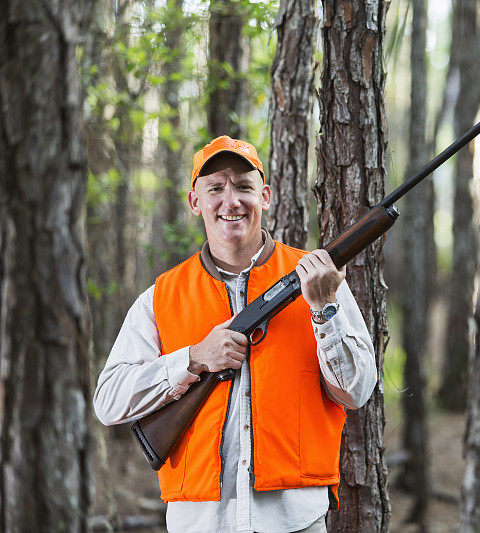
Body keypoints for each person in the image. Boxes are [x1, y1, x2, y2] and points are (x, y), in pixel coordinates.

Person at [93, 136, 377, 533]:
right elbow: (108, 401)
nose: (231, 201)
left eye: (243, 186)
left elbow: (357, 391)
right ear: (196, 203)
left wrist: (325, 310)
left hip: (294, 520)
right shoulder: (162, 296)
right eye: (215, 189)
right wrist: (191, 359)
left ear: (265, 196)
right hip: (201, 523)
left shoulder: (318, 278)